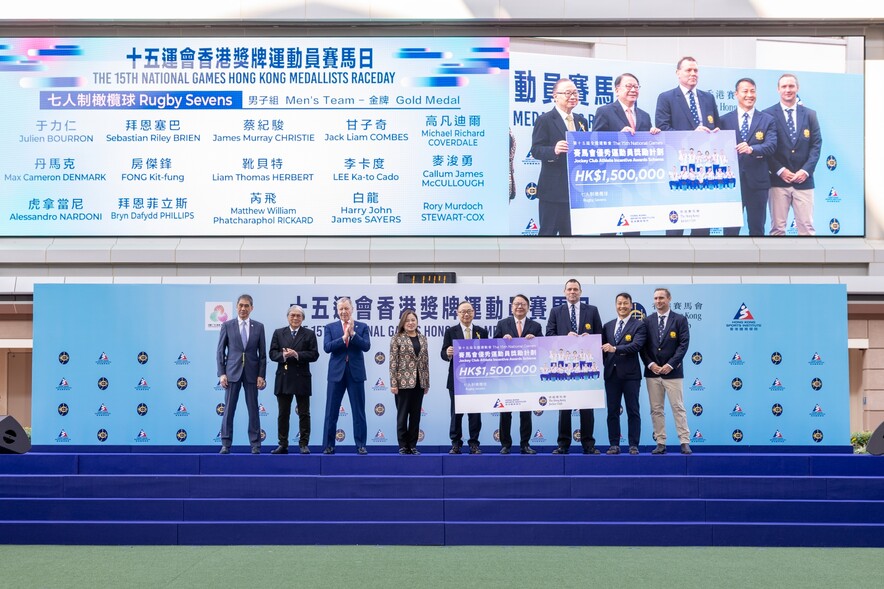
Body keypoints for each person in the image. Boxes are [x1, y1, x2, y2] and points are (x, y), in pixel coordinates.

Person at [655, 56, 721, 236]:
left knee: (703, 221)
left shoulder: (708, 98)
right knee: (676, 221)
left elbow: (716, 125)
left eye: (696, 70)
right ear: (678, 73)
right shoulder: (666, 98)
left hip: (705, 166)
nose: (693, 73)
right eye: (688, 70)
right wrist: (691, 135)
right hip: (679, 166)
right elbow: (663, 129)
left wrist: (717, 133)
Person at [545, 279, 603, 454]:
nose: (572, 292)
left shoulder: (592, 310)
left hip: (586, 366)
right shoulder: (556, 311)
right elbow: (549, 335)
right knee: (564, 407)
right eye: (569, 289)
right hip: (564, 366)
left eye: (575, 289)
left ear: (580, 292)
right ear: (564, 292)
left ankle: (588, 444)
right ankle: (563, 444)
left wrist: (590, 338)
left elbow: (600, 335)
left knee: (587, 406)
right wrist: (565, 337)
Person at [763, 73, 822, 236]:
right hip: (778, 181)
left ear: (797, 88)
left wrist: (805, 171)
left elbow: (816, 145)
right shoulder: (767, 114)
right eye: (784, 86)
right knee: (777, 229)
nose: (787, 90)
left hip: (804, 181)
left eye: (791, 86)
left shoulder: (810, 114)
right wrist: (780, 170)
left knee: (807, 229)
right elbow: (767, 148)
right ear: (778, 89)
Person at [719, 78, 778, 236]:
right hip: (731, 184)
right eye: (745, 91)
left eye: (752, 91)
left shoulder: (767, 120)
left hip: (758, 183)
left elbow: (771, 145)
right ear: (736, 94)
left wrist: (752, 149)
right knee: (730, 230)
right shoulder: (723, 120)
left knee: (757, 229)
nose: (749, 95)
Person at [530, 78, 588, 237]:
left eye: (575, 93)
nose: (573, 96)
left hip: (575, 190)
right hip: (553, 191)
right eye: (568, 93)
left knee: (572, 236)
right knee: (548, 234)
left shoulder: (581, 121)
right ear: (555, 96)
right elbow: (535, 150)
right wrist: (553, 150)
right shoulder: (545, 120)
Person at [640, 288, 691, 455]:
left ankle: (684, 441)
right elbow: (642, 347)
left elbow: (683, 344)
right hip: (653, 373)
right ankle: (660, 442)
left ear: (669, 299)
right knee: (656, 409)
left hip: (673, 373)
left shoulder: (680, 319)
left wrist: (670, 364)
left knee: (678, 407)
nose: (658, 301)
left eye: (661, 298)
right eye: (655, 298)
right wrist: (650, 364)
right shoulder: (647, 321)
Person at [216, 294, 267, 454]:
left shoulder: (259, 327)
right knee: (229, 409)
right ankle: (225, 443)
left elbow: (262, 354)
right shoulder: (227, 325)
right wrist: (221, 373)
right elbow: (220, 351)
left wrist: (261, 375)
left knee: (253, 410)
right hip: (232, 373)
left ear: (252, 308)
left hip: (252, 373)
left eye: (247, 306)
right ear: (236, 306)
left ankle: (255, 444)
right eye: (241, 305)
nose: (243, 308)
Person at [493, 294, 543, 455]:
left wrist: (536, 340)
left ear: (528, 307)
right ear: (511, 307)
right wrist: (502, 340)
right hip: (507, 376)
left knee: (526, 412)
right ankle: (505, 445)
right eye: (516, 304)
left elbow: (543, 348)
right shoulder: (502, 324)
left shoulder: (535, 326)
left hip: (527, 376)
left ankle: (525, 444)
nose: (519, 307)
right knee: (505, 412)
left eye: (523, 304)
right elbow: (493, 346)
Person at [321, 297, 371, 455]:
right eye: (341, 309)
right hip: (336, 374)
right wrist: (343, 338)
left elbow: (366, 346)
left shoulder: (362, 327)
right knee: (331, 411)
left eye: (346, 308)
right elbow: (327, 347)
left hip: (355, 373)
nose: (344, 311)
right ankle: (329, 445)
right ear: (337, 311)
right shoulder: (330, 327)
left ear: (352, 309)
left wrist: (353, 334)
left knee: (358, 412)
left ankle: (361, 445)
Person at [601, 292, 647, 455]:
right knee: (612, 411)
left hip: (630, 376)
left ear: (631, 305)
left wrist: (615, 349)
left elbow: (636, 346)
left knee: (633, 410)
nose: (622, 306)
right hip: (611, 375)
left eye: (625, 303)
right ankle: (614, 444)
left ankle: (633, 444)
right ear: (615, 305)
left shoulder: (639, 325)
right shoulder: (608, 326)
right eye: (619, 303)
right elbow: (601, 349)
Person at [268, 305, 318, 455]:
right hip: (284, 378)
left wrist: (297, 354)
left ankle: (304, 444)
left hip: (302, 377)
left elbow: (314, 355)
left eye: (298, 316)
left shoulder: (309, 334)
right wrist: (283, 355)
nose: (295, 318)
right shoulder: (279, 333)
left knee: (304, 413)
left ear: (303, 318)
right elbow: (272, 353)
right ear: (288, 317)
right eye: (292, 315)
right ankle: (283, 444)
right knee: (283, 413)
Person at [441, 300, 489, 454]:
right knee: (456, 413)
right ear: (458, 314)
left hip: (476, 379)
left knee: (475, 414)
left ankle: (474, 443)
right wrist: (447, 353)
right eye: (462, 311)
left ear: (473, 313)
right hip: (457, 380)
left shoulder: (482, 332)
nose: (466, 314)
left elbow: (488, 353)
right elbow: (443, 353)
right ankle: (456, 443)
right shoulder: (451, 331)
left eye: (469, 311)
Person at [389, 309, 430, 455]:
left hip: (419, 382)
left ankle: (413, 445)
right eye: (407, 320)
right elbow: (393, 362)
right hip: (402, 382)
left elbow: (425, 362)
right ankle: (403, 445)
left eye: (413, 320)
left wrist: (426, 383)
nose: (411, 323)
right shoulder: (397, 338)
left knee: (415, 416)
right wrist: (393, 383)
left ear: (417, 322)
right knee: (402, 415)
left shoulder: (423, 338)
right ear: (402, 323)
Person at [593, 73, 661, 135]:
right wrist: (619, 136)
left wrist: (654, 134)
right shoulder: (604, 112)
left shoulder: (645, 116)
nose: (633, 90)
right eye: (629, 86)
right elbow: (595, 138)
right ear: (617, 90)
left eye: (636, 87)